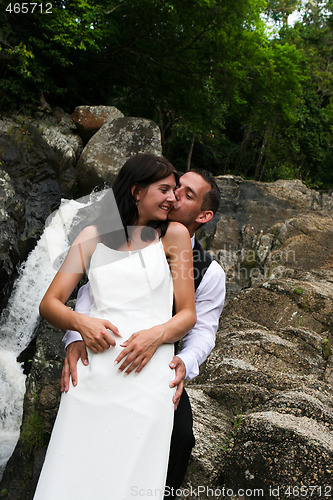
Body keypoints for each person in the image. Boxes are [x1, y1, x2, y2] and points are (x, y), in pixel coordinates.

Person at [33, 154, 197, 500]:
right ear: (136, 191)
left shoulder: (176, 236)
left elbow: (186, 315)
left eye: (176, 190)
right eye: (164, 189)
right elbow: (49, 303)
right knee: (75, 474)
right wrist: (80, 323)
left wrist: (157, 335)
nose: (173, 198)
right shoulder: (92, 235)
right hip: (93, 375)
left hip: (149, 376)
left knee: (133, 476)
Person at [62, 167, 226, 498]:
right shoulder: (119, 233)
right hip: (104, 347)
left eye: (188, 194)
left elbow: (202, 330)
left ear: (205, 215)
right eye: (175, 186)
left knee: (180, 437)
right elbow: (89, 297)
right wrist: (75, 338)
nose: (176, 194)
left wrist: (183, 362)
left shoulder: (210, 271)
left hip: (158, 362)